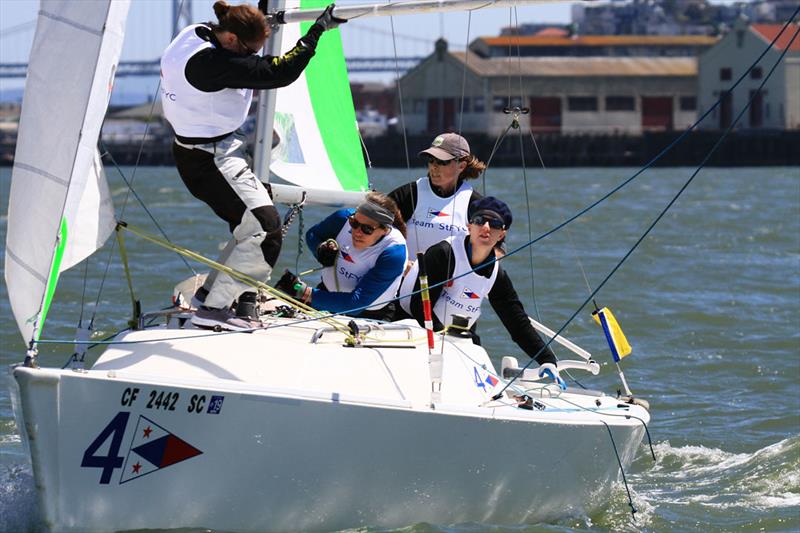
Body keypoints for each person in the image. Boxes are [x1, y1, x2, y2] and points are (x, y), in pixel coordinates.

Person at [160, 1, 345, 331]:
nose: (252, 57)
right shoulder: (211, 65)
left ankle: (210, 296)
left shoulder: (196, 33)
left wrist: (263, 16)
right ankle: (214, 310)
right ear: (231, 40)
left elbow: (249, 50)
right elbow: (280, 72)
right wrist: (317, 30)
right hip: (212, 162)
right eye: (249, 50)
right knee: (266, 228)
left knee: (248, 226)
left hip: (206, 153)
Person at [396, 196, 562, 383]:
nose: (486, 227)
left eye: (495, 224)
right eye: (479, 220)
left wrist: (547, 360)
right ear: (469, 226)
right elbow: (419, 306)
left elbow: (517, 322)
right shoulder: (444, 254)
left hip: (455, 340)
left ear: (502, 235)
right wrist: (447, 345)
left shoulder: (496, 274)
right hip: (410, 329)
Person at [275, 192, 407, 321]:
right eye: (354, 223)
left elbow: (356, 304)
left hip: (368, 314)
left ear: (384, 230)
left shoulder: (393, 253)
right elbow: (313, 234)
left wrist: (303, 292)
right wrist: (320, 249)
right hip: (326, 296)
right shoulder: (342, 219)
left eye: (367, 229)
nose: (356, 232)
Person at [388, 132, 486, 259]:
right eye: (431, 160)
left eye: (442, 162)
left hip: (452, 278)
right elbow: (375, 227)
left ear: (461, 166)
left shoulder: (475, 203)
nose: (434, 167)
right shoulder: (410, 193)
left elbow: (495, 248)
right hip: (409, 276)